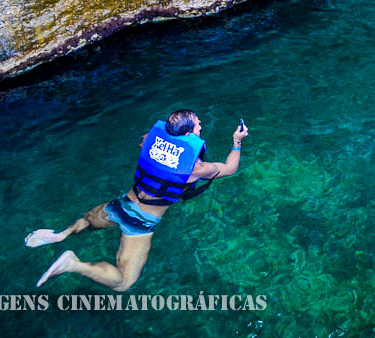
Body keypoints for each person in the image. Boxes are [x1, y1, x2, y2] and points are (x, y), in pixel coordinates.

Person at [25, 109, 248, 291]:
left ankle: (60, 235)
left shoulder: (149, 139)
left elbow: (145, 144)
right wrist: (236, 141)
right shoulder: (197, 168)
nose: (201, 126)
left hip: (120, 205)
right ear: (189, 133)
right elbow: (230, 168)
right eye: (198, 125)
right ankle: (73, 264)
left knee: (87, 221)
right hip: (140, 223)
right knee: (123, 282)